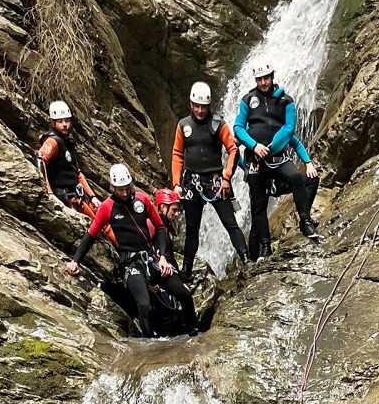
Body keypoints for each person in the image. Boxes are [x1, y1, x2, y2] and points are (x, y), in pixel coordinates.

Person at [64, 164, 199, 337]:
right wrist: (75, 261)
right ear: (112, 187)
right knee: (144, 305)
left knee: (184, 294)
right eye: (121, 190)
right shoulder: (107, 207)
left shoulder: (142, 200)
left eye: (127, 188)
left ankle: (194, 334)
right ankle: (150, 343)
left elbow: (159, 228)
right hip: (131, 264)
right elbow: (91, 235)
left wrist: (162, 258)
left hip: (151, 258)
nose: (125, 193)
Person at [233, 60, 319, 260]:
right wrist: (254, 147)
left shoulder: (286, 101)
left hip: (277, 157)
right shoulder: (248, 100)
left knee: (296, 177)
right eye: (259, 79)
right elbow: (238, 128)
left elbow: (289, 130)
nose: (263, 82)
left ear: (272, 76)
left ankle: (305, 221)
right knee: (258, 204)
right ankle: (265, 246)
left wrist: (305, 161)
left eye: (266, 78)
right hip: (255, 159)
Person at [172, 81, 251, 280]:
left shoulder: (218, 124)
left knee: (230, 224)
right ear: (191, 104)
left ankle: (247, 260)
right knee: (192, 230)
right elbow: (177, 155)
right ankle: (186, 272)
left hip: (216, 183)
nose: (200, 111)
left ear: (208, 105)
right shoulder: (183, 126)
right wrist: (176, 184)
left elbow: (233, 150)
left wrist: (227, 178)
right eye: (196, 106)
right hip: (192, 184)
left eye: (203, 107)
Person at [38, 101, 100, 218]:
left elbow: (77, 173)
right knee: (97, 224)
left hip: (76, 193)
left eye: (67, 121)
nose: (64, 124)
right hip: (65, 195)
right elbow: (40, 160)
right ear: (53, 123)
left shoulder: (68, 142)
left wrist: (92, 197)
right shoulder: (53, 141)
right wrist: (49, 193)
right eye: (60, 121)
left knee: (104, 218)